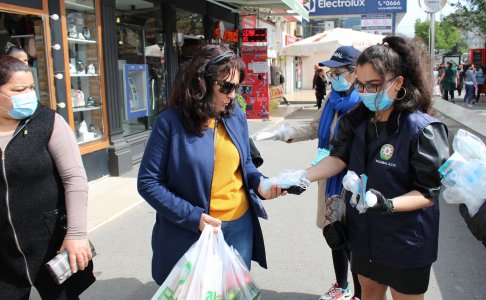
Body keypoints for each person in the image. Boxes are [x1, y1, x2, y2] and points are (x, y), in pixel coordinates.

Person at [290, 36, 449, 299]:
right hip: (363, 235)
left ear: (397, 83)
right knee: (369, 293)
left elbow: (427, 193)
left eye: (373, 85)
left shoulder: (422, 129)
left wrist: (386, 204)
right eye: (360, 85)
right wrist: (300, 177)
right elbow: (338, 158)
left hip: (406, 242)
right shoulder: (356, 120)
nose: (364, 93)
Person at [137, 44, 285, 286]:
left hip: (239, 227)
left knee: (232, 292)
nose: (232, 95)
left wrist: (260, 183)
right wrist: (193, 217)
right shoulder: (169, 123)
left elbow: (245, 161)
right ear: (201, 83)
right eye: (226, 87)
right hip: (192, 232)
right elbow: (148, 182)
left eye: (236, 88)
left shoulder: (235, 114)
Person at [256, 46, 363, 300]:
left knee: (357, 237)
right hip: (328, 174)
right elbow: (316, 126)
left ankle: (361, 293)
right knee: (334, 229)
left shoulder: (364, 101)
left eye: (339, 72)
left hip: (355, 180)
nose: (333, 76)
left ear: (355, 72)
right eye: (331, 72)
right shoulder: (331, 99)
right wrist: (285, 132)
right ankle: (341, 285)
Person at [0, 55, 95, 298]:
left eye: (32, 87)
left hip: (50, 239)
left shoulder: (48, 121)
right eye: (20, 89)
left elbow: (74, 179)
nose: (29, 95)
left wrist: (76, 234)